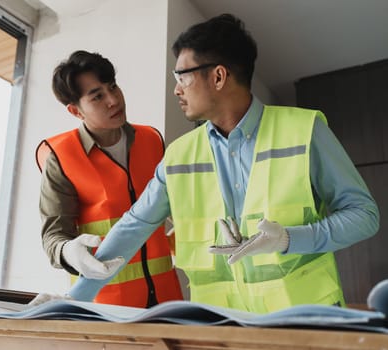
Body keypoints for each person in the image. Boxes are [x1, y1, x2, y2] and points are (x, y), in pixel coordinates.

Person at [44, 14, 380, 314]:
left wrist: (290, 239)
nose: (176, 90)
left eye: (183, 77)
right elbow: (133, 227)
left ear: (218, 77)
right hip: (219, 327)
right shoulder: (179, 155)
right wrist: (71, 300)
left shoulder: (305, 130)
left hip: (305, 322)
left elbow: (364, 216)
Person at [34, 50, 183, 308]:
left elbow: (176, 207)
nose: (114, 100)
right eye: (98, 96)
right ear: (75, 111)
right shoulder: (61, 157)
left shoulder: (151, 140)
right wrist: (68, 251)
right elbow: (54, 236)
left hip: (167, 299)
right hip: (107, 307)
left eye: (113, 87)